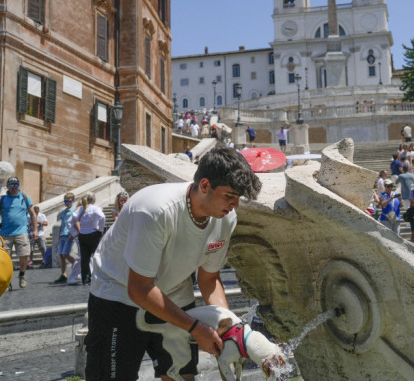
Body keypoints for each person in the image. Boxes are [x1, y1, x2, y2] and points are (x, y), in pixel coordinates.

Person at [85, 147, 262, 380]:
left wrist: (230, 328)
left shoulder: (226, 218)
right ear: (205, 185)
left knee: (182, 376)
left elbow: (209, 279)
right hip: (118, 295)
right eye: (229, 196)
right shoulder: (155, 210)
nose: (234, 205)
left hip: (175, 293)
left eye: (238, 198)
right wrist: (197, 328)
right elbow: (139, 289)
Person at [0, 177, 36, 288]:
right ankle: (7, 279)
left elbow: (33, 214)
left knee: (24, 255)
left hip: (22, 231)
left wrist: (35, 230)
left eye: (16, 184)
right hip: (5, 233)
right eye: (11, 184)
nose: (14, 187)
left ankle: (22, 274)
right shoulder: (2, 199)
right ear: (7, 186)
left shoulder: (25, 198)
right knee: (4, 259)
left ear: (19, 185)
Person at [74, 193, 105, 285]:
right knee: (97, 256)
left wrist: (78, 229)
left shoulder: (82, 209)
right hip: (93, 234)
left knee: (85, 258)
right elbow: (102, 217)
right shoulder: (95, 208)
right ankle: (98, 276)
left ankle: (85, 278)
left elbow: (74, 217)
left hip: (83, 235)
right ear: (94, 200)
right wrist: (100, 228)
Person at [54, 193, 77, 284]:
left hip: (69, 234)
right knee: (61, 255)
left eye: (69, 201)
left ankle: (77, 266)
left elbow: (76, 222)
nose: (67, 203)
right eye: (65, 201)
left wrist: (73, 233)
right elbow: (61, 224)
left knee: (65, 254)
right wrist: (59, 236)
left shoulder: (74, 210)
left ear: (73, 200)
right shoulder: (63, 212)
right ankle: (63, 274)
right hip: (62, 235)